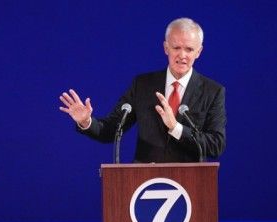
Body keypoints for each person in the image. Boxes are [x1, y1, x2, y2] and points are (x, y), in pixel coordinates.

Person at [59, 17, 226, 163]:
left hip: (190, 185)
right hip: (145, 183)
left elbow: (215, 145)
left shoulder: (212, 91)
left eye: (189, 49)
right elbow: (111, 131)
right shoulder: (143, 85)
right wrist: (86, 122)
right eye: (176, 48)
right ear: (166, 48)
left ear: (199, 52)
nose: (182, 55)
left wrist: (176, 127)